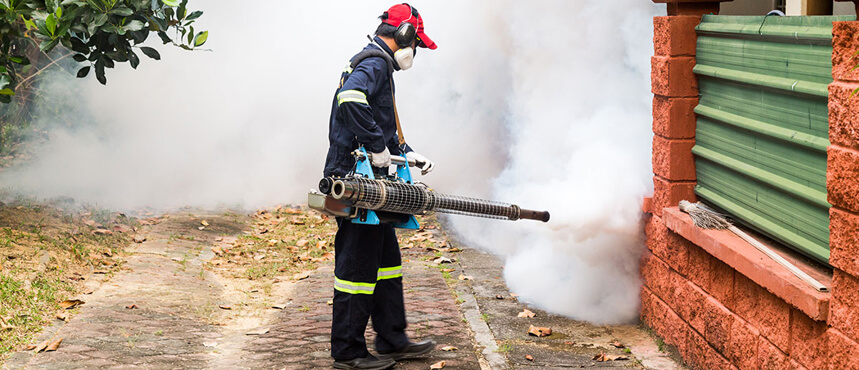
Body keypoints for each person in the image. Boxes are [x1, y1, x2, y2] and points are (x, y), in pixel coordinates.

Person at [322, 4, 438, 370]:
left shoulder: (379, 65)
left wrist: (404, 152)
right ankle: (348, 351)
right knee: (357, 267)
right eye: (416, 42)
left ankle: (391, 338)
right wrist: (376, 146)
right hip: (353, 180)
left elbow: (382, 123)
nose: (415, 50)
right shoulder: (373, 64)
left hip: (372, 181)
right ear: (404, 34)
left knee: (387, 263)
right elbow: (350, 100)